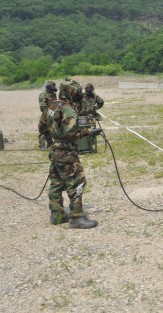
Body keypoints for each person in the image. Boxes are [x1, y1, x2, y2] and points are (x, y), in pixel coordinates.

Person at [44, 79, 101, 228]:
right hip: (67, 153)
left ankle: (57, 214)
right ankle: (76, 217)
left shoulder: (52, 105)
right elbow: (70, 132)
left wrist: (53, 139)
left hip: (55, 152)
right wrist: (89, 131)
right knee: (77, 182)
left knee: (56, 183)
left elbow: (42, 126)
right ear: (72, 93)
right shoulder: (68, 109)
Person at [37, 81, 57, 149]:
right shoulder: (43, 94)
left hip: (52, 115)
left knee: (49, 130)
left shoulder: (54, 94)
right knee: (43, 130)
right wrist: (48, 114)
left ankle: (50, 144)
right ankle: (42, 145)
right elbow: (42, 107)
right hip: (45, 115)